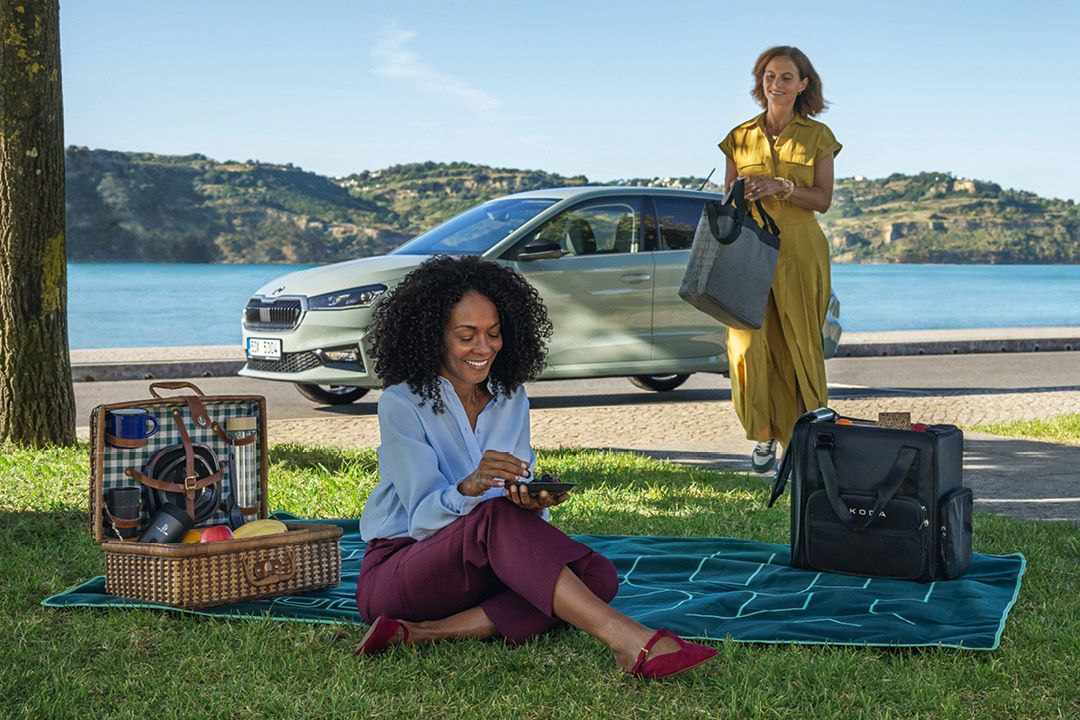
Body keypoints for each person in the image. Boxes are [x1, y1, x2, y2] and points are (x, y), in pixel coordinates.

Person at [354, 255, 716, 678]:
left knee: (596, 576)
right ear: (433, 336)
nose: (484, 348)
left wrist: (528, 503)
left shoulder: (511, 397)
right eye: (466, 336)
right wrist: (469, 487)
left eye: (493, 333)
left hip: (481, 567)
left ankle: (424, 633)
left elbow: (508, 515)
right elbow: (421, 520)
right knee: (496, 521)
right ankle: (629, 641)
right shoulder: (401, 402)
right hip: (401, 571)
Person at [718, 45, 841, 473]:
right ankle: (763, 432)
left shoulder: (818, 136)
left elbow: (822, 200)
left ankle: (802, 437)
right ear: (761, 81)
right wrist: (740, 193)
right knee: (747, 344)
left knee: (799, 345)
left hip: (800, 248)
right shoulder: (739, 137)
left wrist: (780, 186)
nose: (777, 84)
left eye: (787, 77)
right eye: (770, 76)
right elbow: (727, 198)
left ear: (803, 84)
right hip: (748, 249)